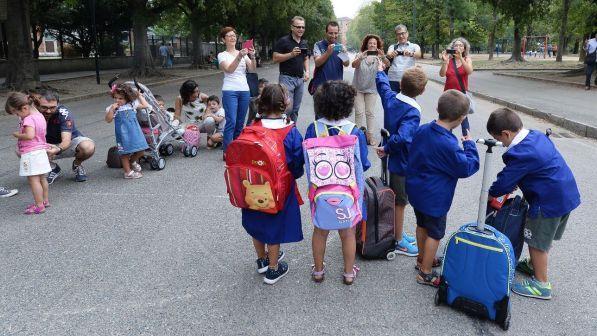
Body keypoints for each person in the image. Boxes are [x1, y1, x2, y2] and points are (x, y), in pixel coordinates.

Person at [487, 108, 580, 300]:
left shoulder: (520, 153)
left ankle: (541, 284)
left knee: (536, 241)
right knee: (543, 236)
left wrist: (492, 193)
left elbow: (504, 181)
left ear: (506, 133)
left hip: (547, 202)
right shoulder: (535, 136)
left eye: (501, 140)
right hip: (565, 194)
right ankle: (533, 265)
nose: (503, 144)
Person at [406, 90, 479, 287]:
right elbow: (466, 167)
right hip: (435, 197)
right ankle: (426, 272)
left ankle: (422, 259)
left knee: (422, 225)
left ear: (438, 109)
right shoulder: (448, 144)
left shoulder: (423, 130)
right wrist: (470, 146)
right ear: (461, 118)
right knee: (435, 233)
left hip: (416, 190)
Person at [305, 80, 371, 285]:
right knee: (348, 232)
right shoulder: (355, 132)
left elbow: (306, 160)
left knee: (320, 230)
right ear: (348, 105)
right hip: (348, 193)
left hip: (320, 192)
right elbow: (364, 164)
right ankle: (349, 273)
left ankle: (318, 270)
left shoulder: (313, 129)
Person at [241, 84, 305, 285]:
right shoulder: (290, 131)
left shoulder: (252, 127)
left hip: (251, 186)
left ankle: (262, 260)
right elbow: (296, 162)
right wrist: (295, 174)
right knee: (274, 226)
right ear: (284, 104)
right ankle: (273, 269)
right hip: (278, 188)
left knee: (257, 222)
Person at [375, 66, 427, 258]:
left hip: (392, 157)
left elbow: (382, 86)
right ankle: (398, 241)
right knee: (400, 201)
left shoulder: (391, 98)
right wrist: (388, 148)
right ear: (422, 91)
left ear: (401, 84)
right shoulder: (412, 111)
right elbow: (404, 137)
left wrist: (380, 71)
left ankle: (397, 231)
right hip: (402, 160)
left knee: (395, 196)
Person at [5, 92, 51, 215]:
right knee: (42, 178)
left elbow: (29, 135)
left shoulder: (29, 119)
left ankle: (39, 205)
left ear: (25, 108)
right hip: (41, 150)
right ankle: (45, 200)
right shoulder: (39, 116)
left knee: (33, 180)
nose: (17, 116)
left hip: (31, 153)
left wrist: (17, 135)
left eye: (17, 113)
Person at [38, 90, 95, 184]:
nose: (48, 111)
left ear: (58, 104)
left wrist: (57, 149)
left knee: (88, 147)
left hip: (66, 144)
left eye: (52, 108)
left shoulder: (64, 113)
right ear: (37, 104)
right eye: (44, 107)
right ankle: (53, 168)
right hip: (46, 144)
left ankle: (77, 165)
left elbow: (66, 140)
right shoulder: (32, 113)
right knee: (21, 149)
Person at [218, 27, 257, 158]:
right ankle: (227, 151)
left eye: (234, 35)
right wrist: (239, 56)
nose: (232, 37)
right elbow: (229, 69)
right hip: (230, 90)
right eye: (229, 36)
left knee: (240, 122)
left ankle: (237, 148)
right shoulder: (222, 55)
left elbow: (252, 69)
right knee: (231, 121)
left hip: (244, 90)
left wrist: (252, 56)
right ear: (224, 39)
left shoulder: (243, 53)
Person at [105, 83, 150, 179]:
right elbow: (108, 120)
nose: (117, 100)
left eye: (120, 98)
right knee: (124, 153)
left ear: (128, 98)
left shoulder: (132, 105)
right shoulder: (113, 108)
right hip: (123, 134)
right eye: (115, 98)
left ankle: (132, 161)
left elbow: (146, 106)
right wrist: (112, 110)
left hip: (135, 132)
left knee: (141, 149)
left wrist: (139, 96)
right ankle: (128, 172)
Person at [351, 34, 390, 144]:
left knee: (370, 112)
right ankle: (356, 136)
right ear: (366, 45)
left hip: (372, 89)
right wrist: (361, 57)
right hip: (358, 88)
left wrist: (382, 57)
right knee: (359, 112)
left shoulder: (379, 57)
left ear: (377, 45)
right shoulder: (360, 54)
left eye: (374, 43)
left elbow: (388, 64)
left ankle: (370, 137)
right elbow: (354, 65)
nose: (372, 45)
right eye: (370, 43)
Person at [273, 16, 310, 122]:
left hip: (300, 80)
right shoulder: (284, 41)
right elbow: (275, 58)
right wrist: (291, 54)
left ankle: (292, 133)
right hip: (286, 79)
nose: (301, 29)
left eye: (303, 27)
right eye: (298, 27)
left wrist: (307, 71)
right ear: (292, 27)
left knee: (295, 110)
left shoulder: (304, 42)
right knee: (286, 109)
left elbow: (306, 58)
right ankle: (283, 133)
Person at [439, 37, 474, 136]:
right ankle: (446, 142)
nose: (458, 47)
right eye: (456, 45)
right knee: (447, 120)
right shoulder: (449, 60)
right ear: (452, 47)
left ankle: (467, 143)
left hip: (461, 95)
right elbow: (442, 74)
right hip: (448, 95)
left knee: (464, 120)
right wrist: (445, 62)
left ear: (464, 48)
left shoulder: (467, 59)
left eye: (461, 45)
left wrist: (461, 58)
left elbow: (469, 71)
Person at [310, 21, 350, 99]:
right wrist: (328, 52)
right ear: (326, 32)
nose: (333, 36)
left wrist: (344, 53)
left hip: (337, 88)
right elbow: (317, 63)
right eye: (331, 33)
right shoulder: (318, 45)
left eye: (336, 33)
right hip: (321, 88)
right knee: (321, 111)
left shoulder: (339, 47)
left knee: (336, 111)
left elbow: (346, 64)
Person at [386, 24, 422, 93]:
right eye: (398, 34)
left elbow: (418, 54)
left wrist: (411, 54)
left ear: (407, 33)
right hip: (393, 79)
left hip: (408, 79)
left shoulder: (414, 46)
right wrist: (392, 54)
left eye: (403, 33)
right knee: (393, 101)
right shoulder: (393, 47)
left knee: (408, 101)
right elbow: (388, 54)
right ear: (396, 36)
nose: (401, 36)